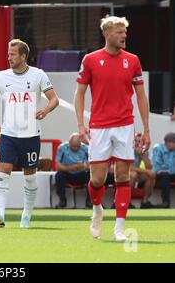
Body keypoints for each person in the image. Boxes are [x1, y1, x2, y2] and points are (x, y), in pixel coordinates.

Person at [0, 39, 59, 228]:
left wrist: (46, 110)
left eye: (13, 54)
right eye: (8, 54)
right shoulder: (3, 77)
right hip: (8, 134)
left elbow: (54, 99)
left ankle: (26, 217)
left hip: (30, 135)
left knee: (29, 178)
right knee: (2, 174)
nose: (9, 57)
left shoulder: (38, 75)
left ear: (23, 56)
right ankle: (0, 215)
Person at [74, 16, 151, 241]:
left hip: (125, 125)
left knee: (123, 175)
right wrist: (81, 125)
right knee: (97, 180)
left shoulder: (133, 60)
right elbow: (79, 94)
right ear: (107, 34)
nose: (124, 35)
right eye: (119, 32)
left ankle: (119, 228)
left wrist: (146, 128)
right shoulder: (90, 60)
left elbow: (141, 95)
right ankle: (98, 210)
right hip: (98, 127)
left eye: (124, 32)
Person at [54, 133, 91, 209]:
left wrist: (84, 167)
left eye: (78, 146)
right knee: (59, 175)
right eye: (73, 146)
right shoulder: (62, 148)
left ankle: (89, 201)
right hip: (68, 173)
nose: (76, 148)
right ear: (69, 143)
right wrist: (70, 168)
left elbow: (92, 164)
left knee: (91, 175)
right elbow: (58, 165)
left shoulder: (86, 148)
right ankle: (62, 200)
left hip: (81, 173)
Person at [130, 132, 155, 208]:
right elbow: (129, 167)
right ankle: (127, 202)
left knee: (150, 175)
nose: (137, 143)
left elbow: (149, 167)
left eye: (139, 141)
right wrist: (146, 171)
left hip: (136, 174)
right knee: (133, 175)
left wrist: (142, 154)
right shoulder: (127, 150)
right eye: (135, 141)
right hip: (123, 174)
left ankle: (145, 202)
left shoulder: (143, 151)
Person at [152, 132, 175, 208]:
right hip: (160, 173)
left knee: (166, 174)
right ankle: (166, 203)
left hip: (170, 172)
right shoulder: (158, 149)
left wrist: (167, 170)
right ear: (167, 142)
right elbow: (157, 166)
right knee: (165, 176)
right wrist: (167, 170)